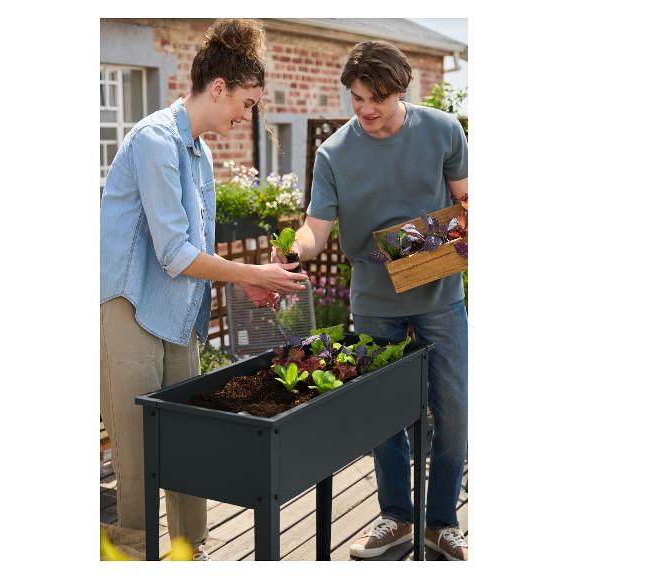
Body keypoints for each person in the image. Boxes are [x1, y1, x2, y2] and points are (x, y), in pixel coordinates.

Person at [100, 18, 308, 561]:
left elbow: (199, 252)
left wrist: (251, 286)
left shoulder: (202, 153)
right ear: (218, 87)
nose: (247, 116)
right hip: (131, 307)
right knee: (140, 449)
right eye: (245, 102)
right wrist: (253, 275)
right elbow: (173, 254)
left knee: (187, 439)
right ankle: (134, 556)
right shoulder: (153, 141)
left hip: (177, 311)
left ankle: (190, 553)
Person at [271, 40, 468, 561]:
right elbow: (316, 230)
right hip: (375, 301)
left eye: (376, 98)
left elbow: (468, 201)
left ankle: (442, 522)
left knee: (453, 410)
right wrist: (295, 248)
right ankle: (396, 518)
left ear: (400, 89)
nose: (365, 110)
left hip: (440, 294)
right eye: (357, 98)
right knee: (383, 415)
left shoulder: (444, 131)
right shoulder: (334, 153)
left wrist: (440, 237)